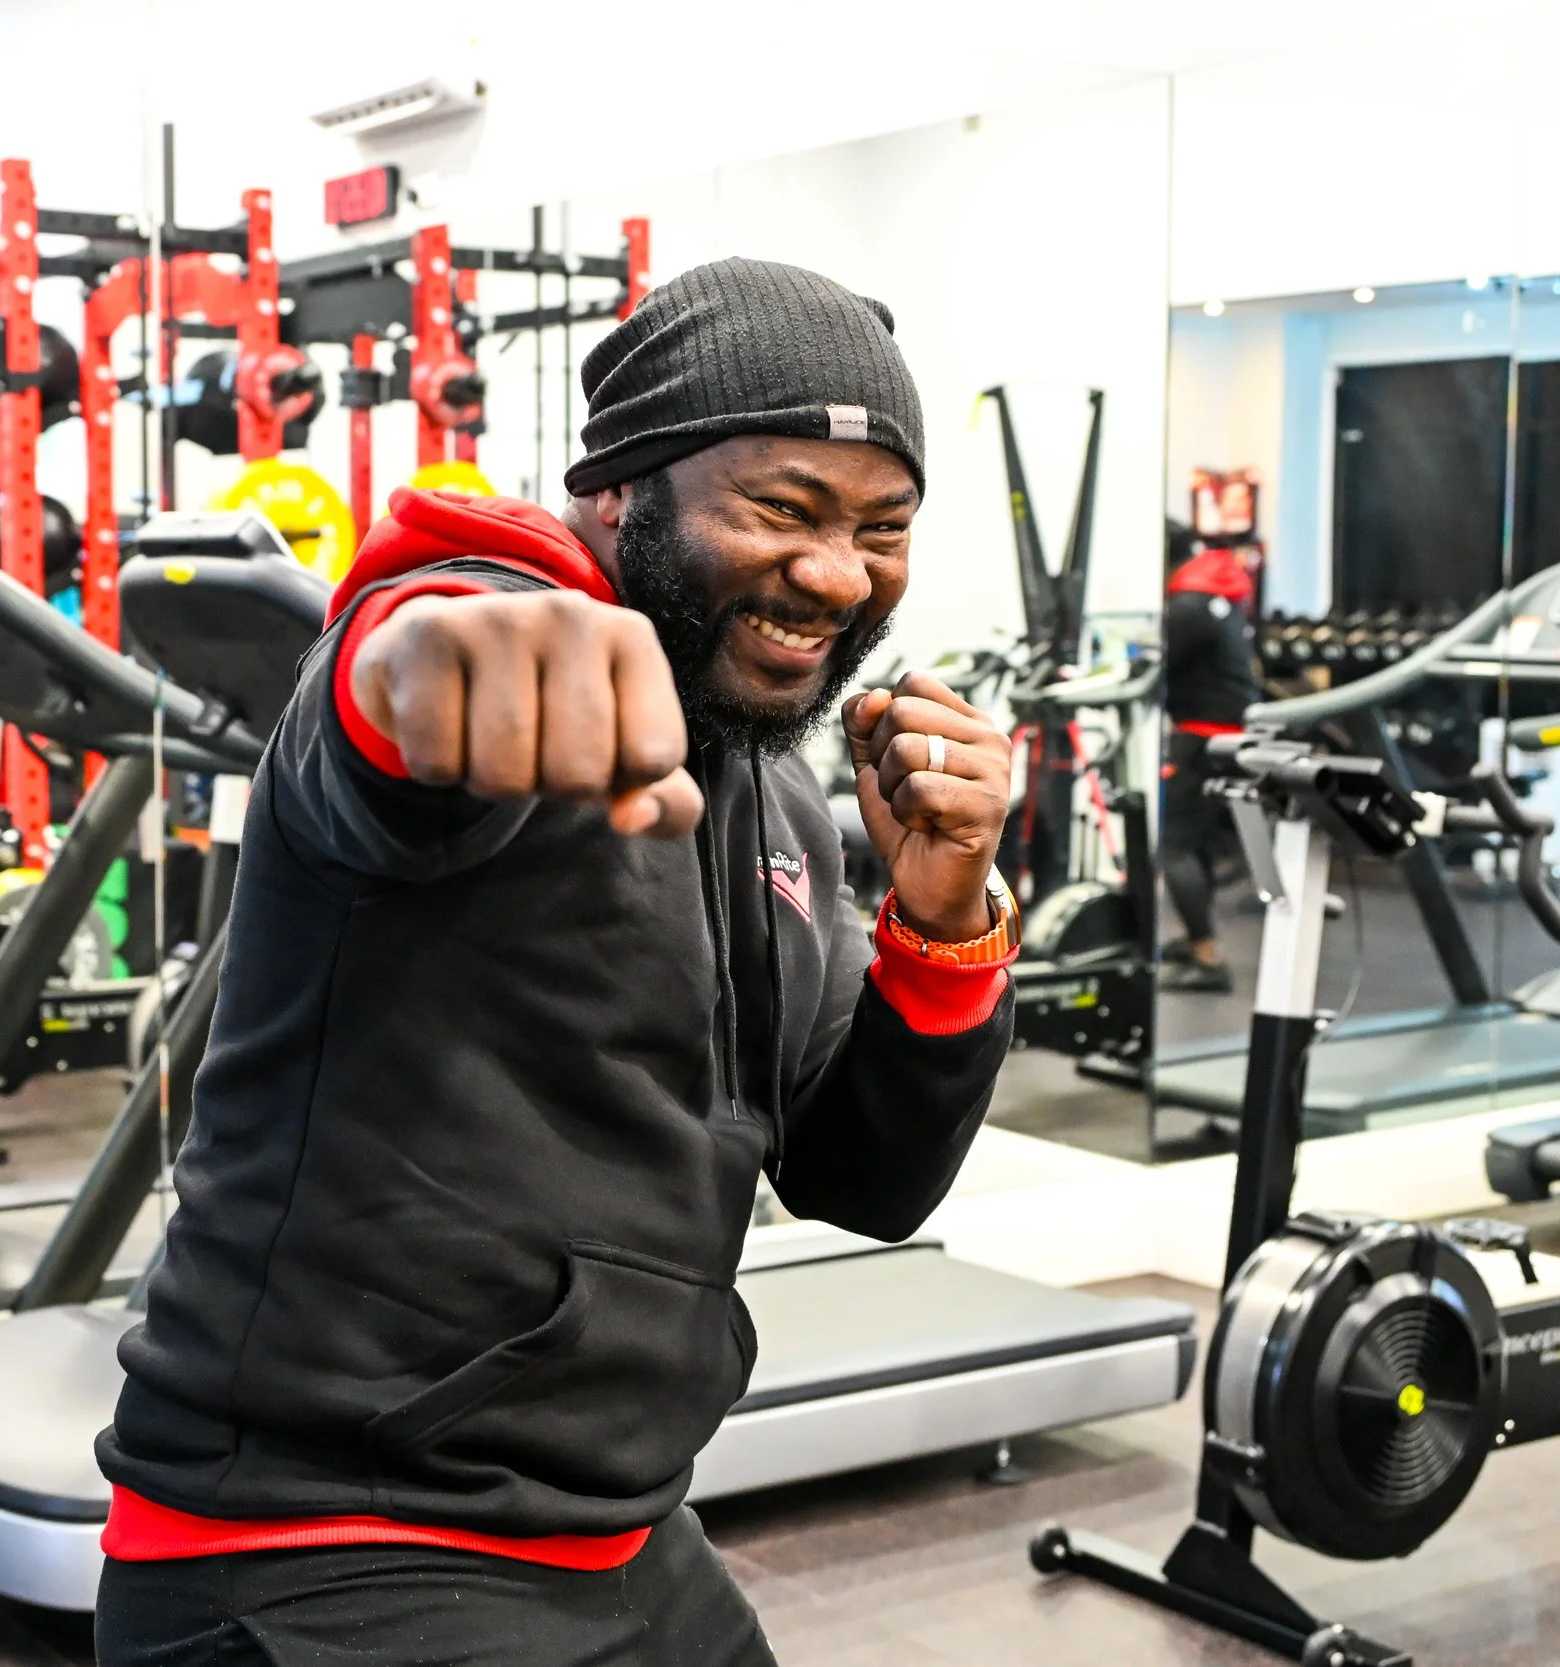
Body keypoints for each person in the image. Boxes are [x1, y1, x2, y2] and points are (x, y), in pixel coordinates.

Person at [93, 259, 1019, 1667]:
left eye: (882, 526)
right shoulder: (493, 648)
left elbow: (864, 1178)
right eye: (782, 507)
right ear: (621, 491)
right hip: (321, 1550)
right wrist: (434, 651)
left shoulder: (775, 801)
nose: (840, 571)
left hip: (621, 1533)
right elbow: (408, 677)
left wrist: (943, 924)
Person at [1158, 521, 1261, 993]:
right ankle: (1198, 937)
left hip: (1201, 734)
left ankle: (1207, 958)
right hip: (1227, 732)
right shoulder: (1216, 591)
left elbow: (1158, 668)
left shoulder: (1186, 608)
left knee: (1174, 848)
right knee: (1194, 844)